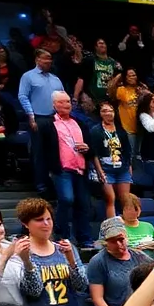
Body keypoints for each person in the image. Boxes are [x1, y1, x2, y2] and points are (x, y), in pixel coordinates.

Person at [14, 197, 87, 306]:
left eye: (49, 219)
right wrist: (27, 262)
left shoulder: (66, 248)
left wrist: (71, 260)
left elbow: (81, 286)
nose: (46, 224)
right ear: (25, 224)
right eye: (39, 220)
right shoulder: (20, 253)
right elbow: (33, 292)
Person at [85, 220, 152, 306]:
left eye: (121, 239)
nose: (118, 244)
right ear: (105, 243)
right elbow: (97, 298)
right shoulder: (98, 262)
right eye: (112, 241)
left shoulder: (140, 257)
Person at [39, 91, 91, 246]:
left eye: (68, 101)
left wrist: (87, 148)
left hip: (80, 168)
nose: (66, 105)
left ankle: (84, 239)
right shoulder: (48, 124)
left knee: (83, 203)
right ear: (54, 105)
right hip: (61, 169)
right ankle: (62, 235)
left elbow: (91, 147)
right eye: (61, 102)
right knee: (66, 199)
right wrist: (45, 171)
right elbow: (41, 151)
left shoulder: (79, 122)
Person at [17, 48, 65, 193]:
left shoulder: (55, 79)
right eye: (45, 58)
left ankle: (55, 182)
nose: (48, 61)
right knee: (39, 152)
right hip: (38, 117)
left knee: (56, 151)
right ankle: (40, 183)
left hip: (55, 118)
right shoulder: (28, 76)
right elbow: (23, 96)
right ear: (37, 59)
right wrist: (31, 116)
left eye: (50, 59)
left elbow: (63, 97)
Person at [87, 100, 132, 220]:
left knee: (125, 199)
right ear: (100, 113)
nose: (108, 113)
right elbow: (94, 153)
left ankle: (127, 226)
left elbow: (127, 150)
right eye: (104, 111)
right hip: (106, 169)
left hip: (122, 169)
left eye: (111, 110)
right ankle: (113, 229)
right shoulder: (95, 131)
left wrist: (129, 166)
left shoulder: (121, 130)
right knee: (110, 198)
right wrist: (100, 171)